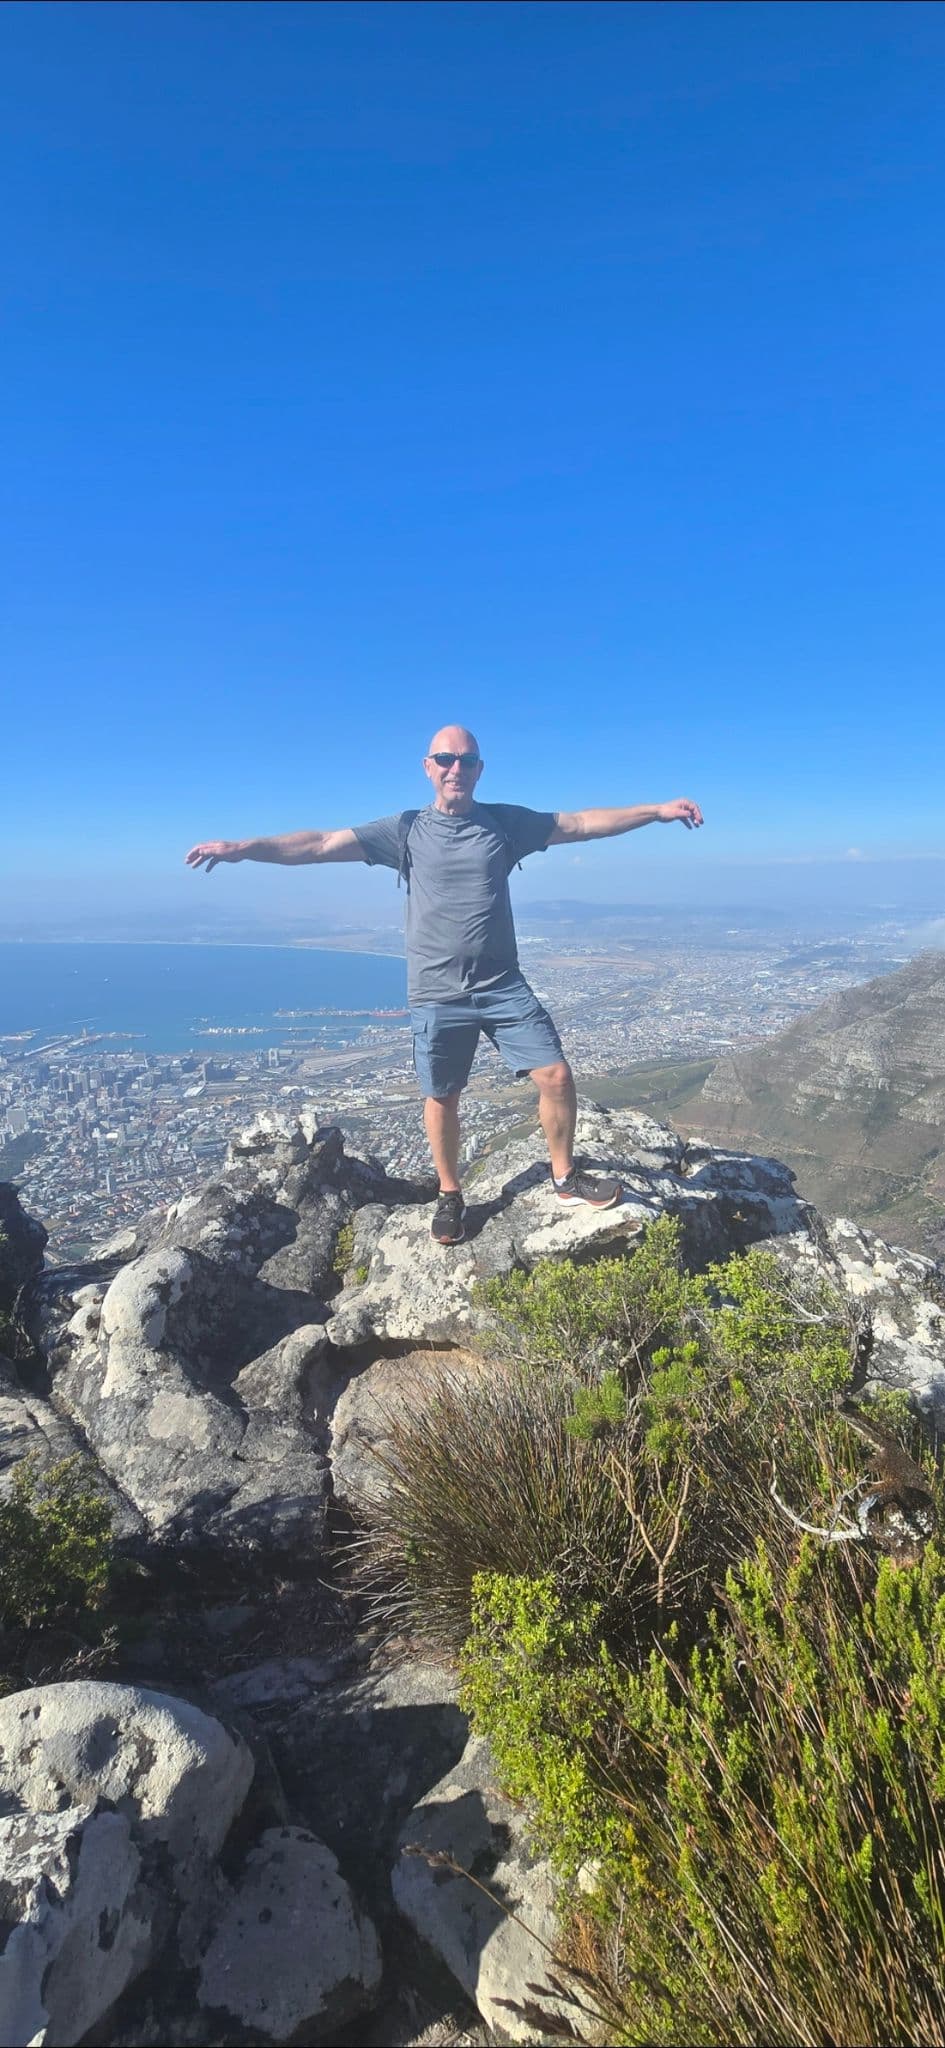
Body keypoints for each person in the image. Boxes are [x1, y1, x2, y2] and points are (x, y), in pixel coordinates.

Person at [186, 726, 703, 1245]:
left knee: (556, 1075)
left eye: (468, 760)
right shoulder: (406, 830)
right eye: (446, 759)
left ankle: (564, 1176)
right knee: (443, 1095)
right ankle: (450, 1194)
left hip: (502, 983)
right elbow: (319, 844)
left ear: (480, 769)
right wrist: (243, 848)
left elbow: (581, 823)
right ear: (428, 767)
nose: (457, 768)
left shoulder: (504, 823)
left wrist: (655, 811)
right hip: (437, 991)